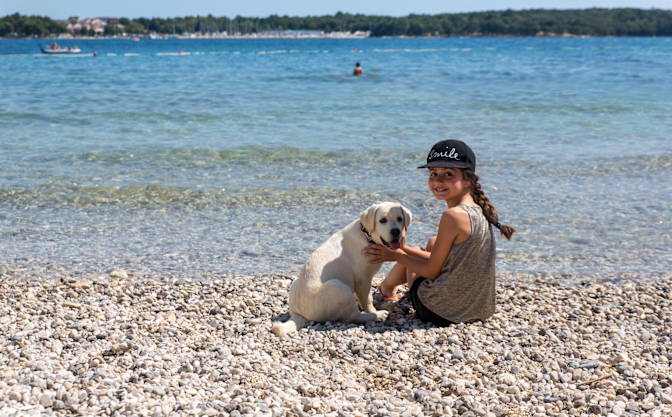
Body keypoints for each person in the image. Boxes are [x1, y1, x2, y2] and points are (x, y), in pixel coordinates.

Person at [365, 140, 516, 325]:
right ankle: (387, 288)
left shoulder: (453, 216)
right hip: (480, 309)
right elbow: (446, 262)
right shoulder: (479, 209)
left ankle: (387, 289)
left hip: (440, 310)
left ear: (468, 179)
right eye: (433, 173)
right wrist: (404, 249)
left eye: (448, 174)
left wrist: (395, 255)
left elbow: (431, 271)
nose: (438, 180)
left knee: (410, 256)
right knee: (429, 244)